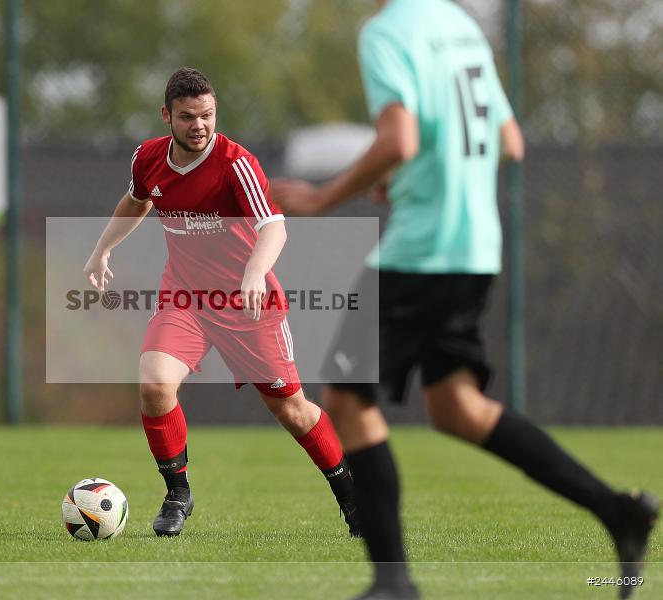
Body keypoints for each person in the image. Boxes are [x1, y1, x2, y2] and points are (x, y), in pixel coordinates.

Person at [273, 1, 658, 599]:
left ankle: (394, 584)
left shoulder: (387, 32)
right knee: (457, 406)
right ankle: (615, 509)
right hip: (476, 247)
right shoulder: (461, 28)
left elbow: (398, 138)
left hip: (421, 250)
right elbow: (510, 141)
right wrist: (421, 173)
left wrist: (324, 199)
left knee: (347, 399)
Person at [84, 67, 362, 538]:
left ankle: (355, 501)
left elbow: (273, 225)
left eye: (208, 115)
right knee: (154, 384)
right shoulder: (148, 158)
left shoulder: (236, 163)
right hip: (185, 299)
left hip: (248, 307)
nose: (200, 126)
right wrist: (102, 248)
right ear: (166, 115)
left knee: (292, 410)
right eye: (189, 116)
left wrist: (254, 271)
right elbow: (137, 200)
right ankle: (178, 494)